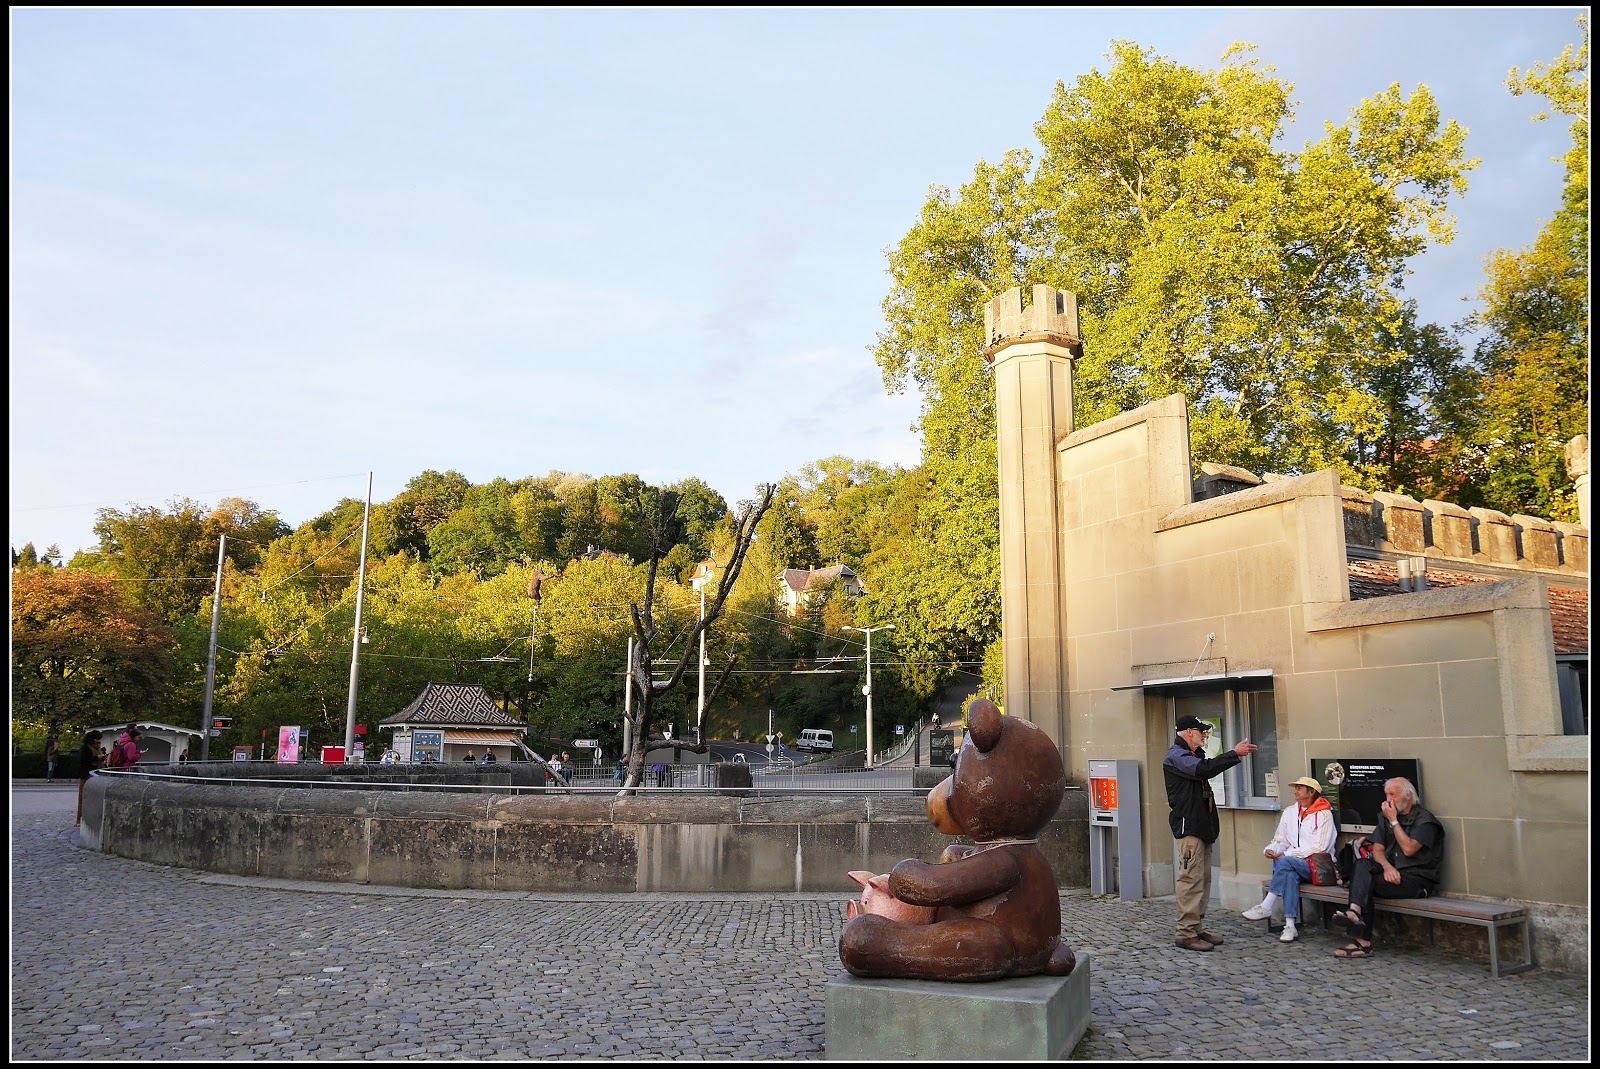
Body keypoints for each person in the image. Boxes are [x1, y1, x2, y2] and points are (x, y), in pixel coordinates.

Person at [1163, 715, 1256, 952]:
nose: (1204, 735)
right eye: (1201, 731)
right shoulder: (1176, 756)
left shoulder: (1194, 754)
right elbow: (1202, 770)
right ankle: (1185, 933)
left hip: (1202, 826)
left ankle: (1196, 927)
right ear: (1188, 732)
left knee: (1203, 879)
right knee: (1190, 880)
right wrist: (1234, 754)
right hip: (1190, 826)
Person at [1332, 777, 1443, 959]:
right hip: (1391, 872)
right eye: (1386, 795)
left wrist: (1394, 822)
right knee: (1361, 865)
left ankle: (1362, 942)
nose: (1388, 800)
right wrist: (1387, 867)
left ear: (1408, 796)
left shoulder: (1425, 821)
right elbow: (1377, 849)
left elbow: (1408, 849)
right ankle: (1354, 912)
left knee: (1364, 884)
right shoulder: (1386, 817)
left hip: (1416, 879)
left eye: (1393, 795)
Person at [1241, 776, 1338, 943]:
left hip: (1319, 869)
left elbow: (1320, 847)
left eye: (1299, 788)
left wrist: (1288, 854)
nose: (1295, 791)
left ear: (1311, 792)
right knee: (1289, 875)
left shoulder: (1324, 814)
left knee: (1284, 862)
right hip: (1294, 866)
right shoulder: (1290, 812)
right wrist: (1271, 850)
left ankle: (1266, 905)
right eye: (1296, 788)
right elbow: (1281, 840)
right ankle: (1290, 926)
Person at [75, 730, 105, 827]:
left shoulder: (98, 748)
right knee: (83, 797)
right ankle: (79, 818)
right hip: (86, 774)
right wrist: (97, 758)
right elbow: (84, 760)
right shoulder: (85, 748)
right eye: (97, 739)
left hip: (96, 773)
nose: (98, 741)